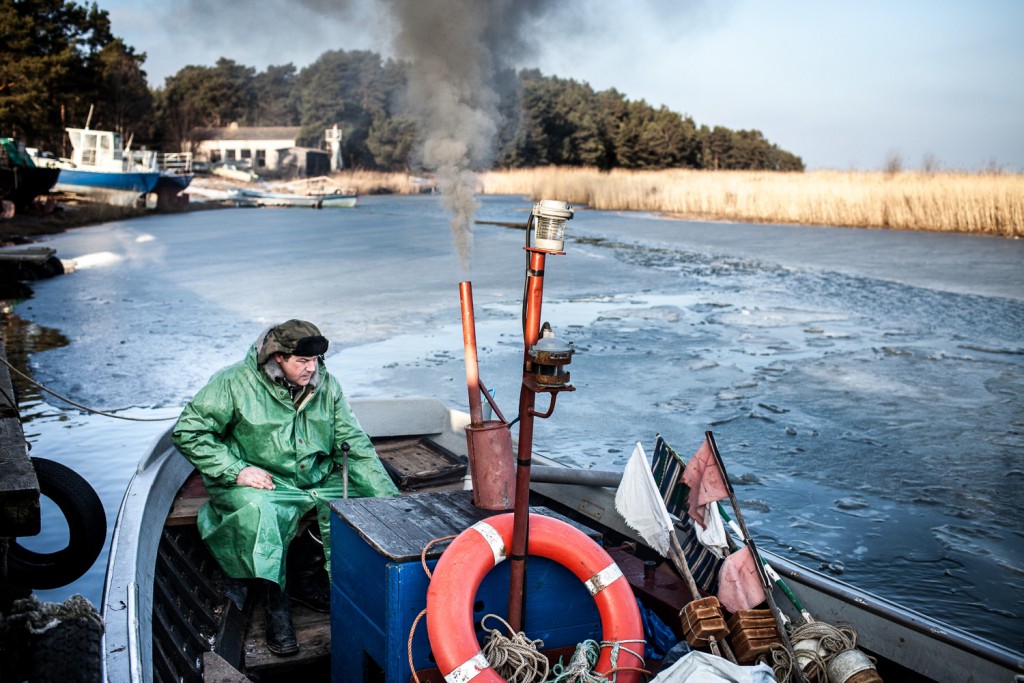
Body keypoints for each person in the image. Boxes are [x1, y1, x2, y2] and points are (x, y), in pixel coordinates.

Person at [172, 320, 399, 656]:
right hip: (262, 481)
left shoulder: (327, 384)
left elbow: (352, 441)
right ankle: (276, 605)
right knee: (261, 513)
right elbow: (188, 432)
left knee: (365, 499)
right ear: (278, 357)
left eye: (316, 361)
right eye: (302, 362)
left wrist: (389, 503)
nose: (312, 368)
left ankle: (314, 581)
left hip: (315, 480)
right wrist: (237, 470)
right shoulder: (233, 382)